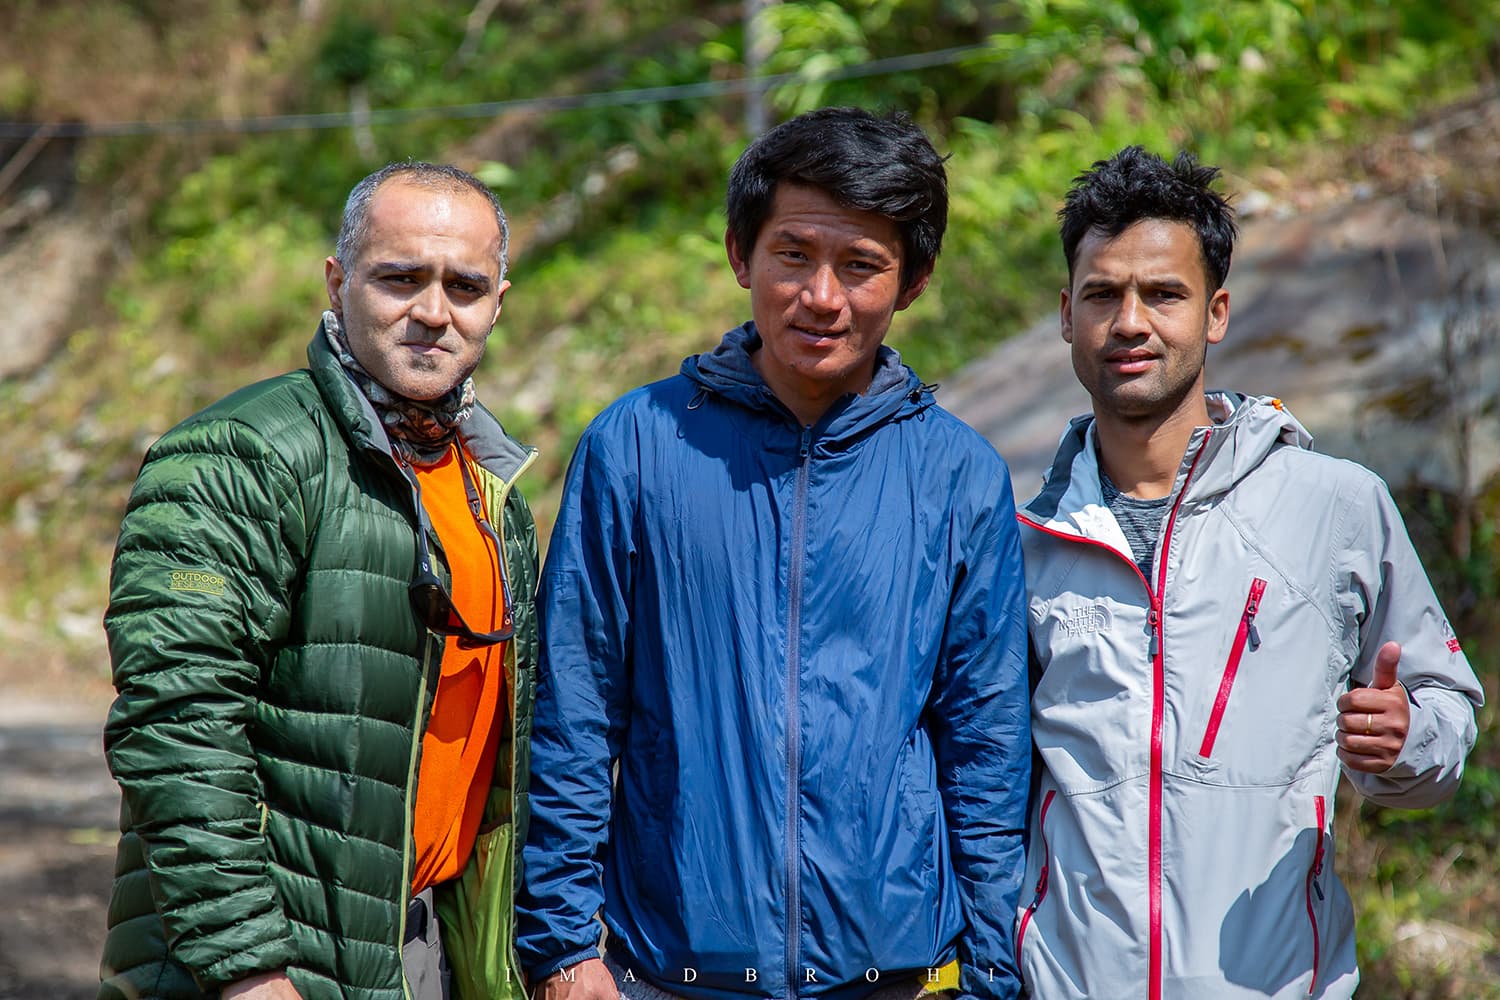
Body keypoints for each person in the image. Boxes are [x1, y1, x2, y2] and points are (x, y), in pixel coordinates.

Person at [515, 107, 1031, 1000]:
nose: (822, 296)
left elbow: (985, 742)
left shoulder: (958, 475)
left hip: (898, 977)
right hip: (666, 973)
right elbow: (574, 705)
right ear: (739, 255)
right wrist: (562, 948)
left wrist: (989, 972)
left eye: (862, 264)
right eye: (793, 254)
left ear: (912, 283)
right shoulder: (638, 446)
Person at [1014, 145, 1484, 999]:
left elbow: (1446, 708)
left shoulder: (1336, 506)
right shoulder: (1022, 536)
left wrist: (1405, 738)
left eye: (1163, 294)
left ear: (1217, 312)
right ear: (1065, 314)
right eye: (1101, 295)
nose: (1129, 322)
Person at [98, 161, 539, 1000]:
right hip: (273, 969)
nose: (433, 312)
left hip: (420, 953)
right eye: (400, 278)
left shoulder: (492, 493)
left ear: (498, 302)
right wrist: (249, 972)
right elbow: (178, 725)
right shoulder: (242, 455)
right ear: (338, 283)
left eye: (465, 286)